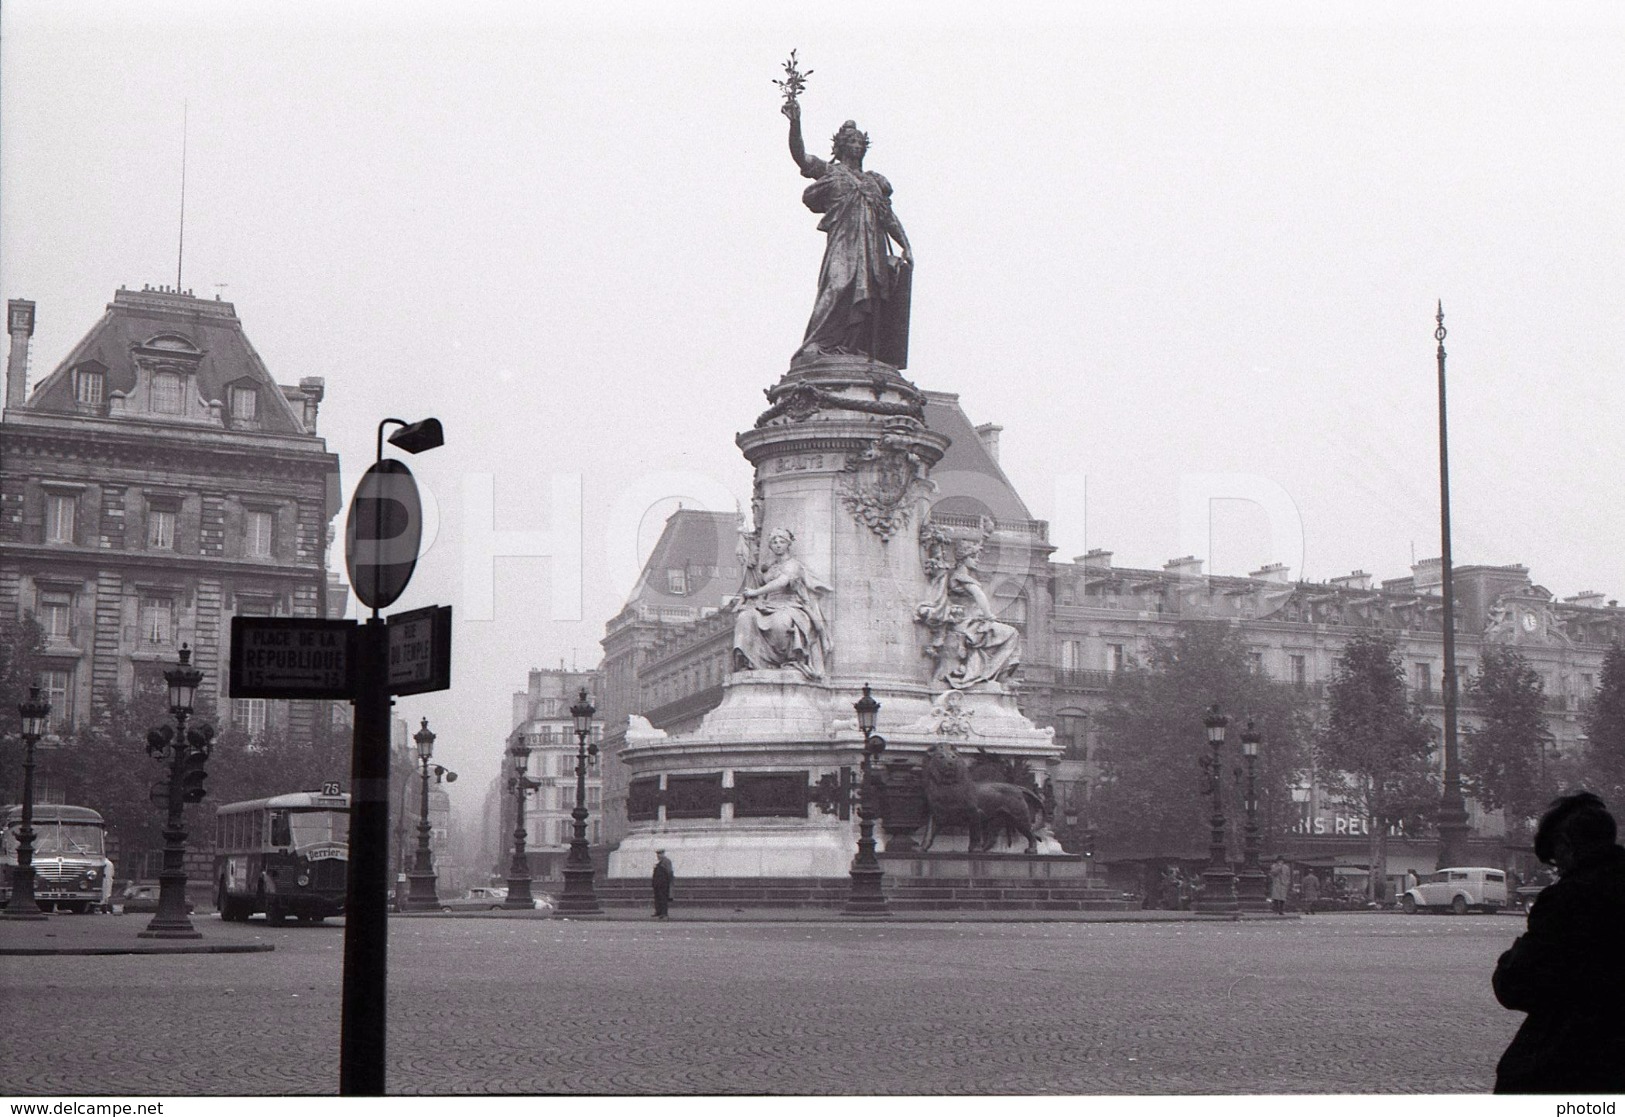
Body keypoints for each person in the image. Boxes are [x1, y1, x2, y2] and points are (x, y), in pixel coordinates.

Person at [1491, 791, 1625, 1093]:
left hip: (1574, 1061)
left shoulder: (1569, 898)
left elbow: (1516, 985)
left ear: (1566, 848)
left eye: (1554, 860)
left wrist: (1510, 958)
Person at [782, 99, 913, 367]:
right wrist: (795, 123)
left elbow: (888, 216)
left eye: (860, 142)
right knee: (838, 284)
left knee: (870, 294)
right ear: (840, 146)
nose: (856, 146)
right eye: (851, 142)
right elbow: (800, 156)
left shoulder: (873, 181)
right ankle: (816, 344)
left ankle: (853, 347)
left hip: (871, 246)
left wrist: (906, 245)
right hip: (844, 242)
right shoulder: (831, 172)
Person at [731, 528, 832, 679]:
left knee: (781, 622)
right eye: (774, 542)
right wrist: (749, 558)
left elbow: (781, 582)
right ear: (770, 546)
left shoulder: (793, 565)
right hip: (768, 605)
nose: (778, 545)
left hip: (791, 605)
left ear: (788, 544)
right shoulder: (770, 567)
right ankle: (749, 661)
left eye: (782, 542)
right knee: (745, 617)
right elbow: (760, 581)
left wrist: (754, 593)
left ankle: (790, 660)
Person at [651, 849, 675, 920]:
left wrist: (669, 882)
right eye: (658, 854)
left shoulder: (666, 861)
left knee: (663, 899)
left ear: (663, 854)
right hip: (658, 884)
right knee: (658, 898)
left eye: (660, 854)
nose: (658, 856)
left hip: (663, 884)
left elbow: (669, 872)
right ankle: (659, 912)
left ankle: (664, 914)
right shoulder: (660, 862)